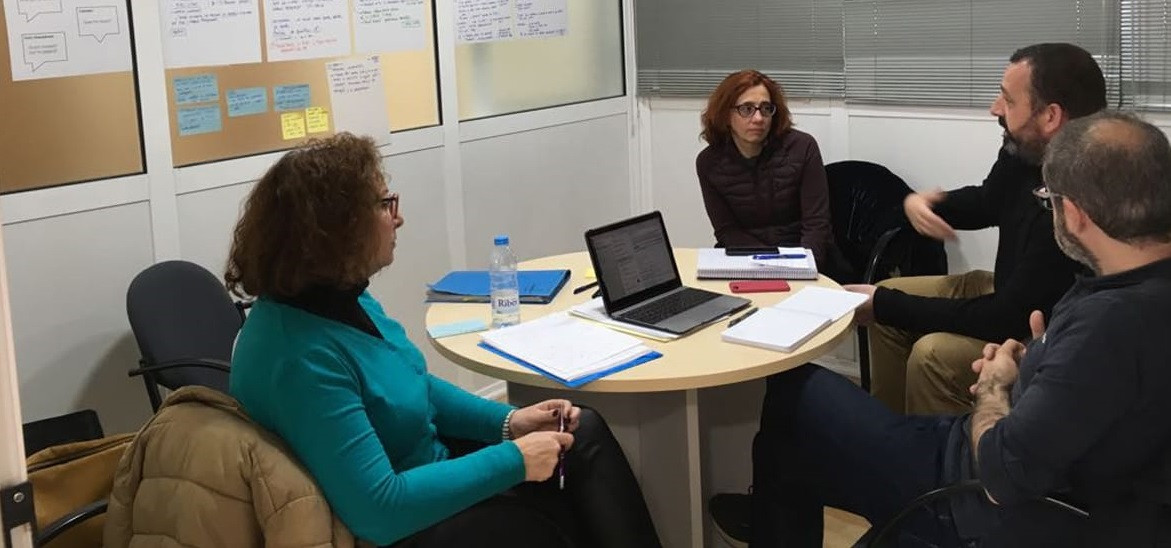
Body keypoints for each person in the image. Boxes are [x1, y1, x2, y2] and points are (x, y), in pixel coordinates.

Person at [750, 110, 1171, 547]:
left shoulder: (1111, 323)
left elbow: (1001, 477)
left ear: (1076, 214)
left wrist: (994, 385)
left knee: (792, 391)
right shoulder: (1134, 289)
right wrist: (1038, 358)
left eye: (1049, 200)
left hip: (969, 499)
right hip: (1012, 462)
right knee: (789, 450)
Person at [225, 133, 662, 548]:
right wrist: (515, 460)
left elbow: (412, 385)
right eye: (384, 205)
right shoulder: (299, 358)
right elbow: (379, 509)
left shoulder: (339, 295)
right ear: (336, 230)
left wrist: (511, 422)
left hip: (426, 468)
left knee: (582, 431)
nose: (398, 217)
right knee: (552, 520)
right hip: (402, 524)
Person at [845, 43, 1100, 415]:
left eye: (1008, 100)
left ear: (1050, 116)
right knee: (886, 299)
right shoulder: (1025, 151)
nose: (995, 108)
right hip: (1011, 293)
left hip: (1041, 333)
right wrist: (925, 203)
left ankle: (944, 449)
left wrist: (883, 305)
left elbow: (1006, 317)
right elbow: (989, 200)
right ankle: (889, 428)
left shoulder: (1074, 199)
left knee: (931, 354)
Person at [696, 69, 834, 267]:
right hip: (746, 259)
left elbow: (816, 224)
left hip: (802, 259)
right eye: (746, 109)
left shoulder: (803, 147)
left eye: (766, 108)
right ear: (726, 115)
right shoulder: (709, 162)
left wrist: (803, 268)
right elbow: (727, 230)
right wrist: (767, 264)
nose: (759, 118)